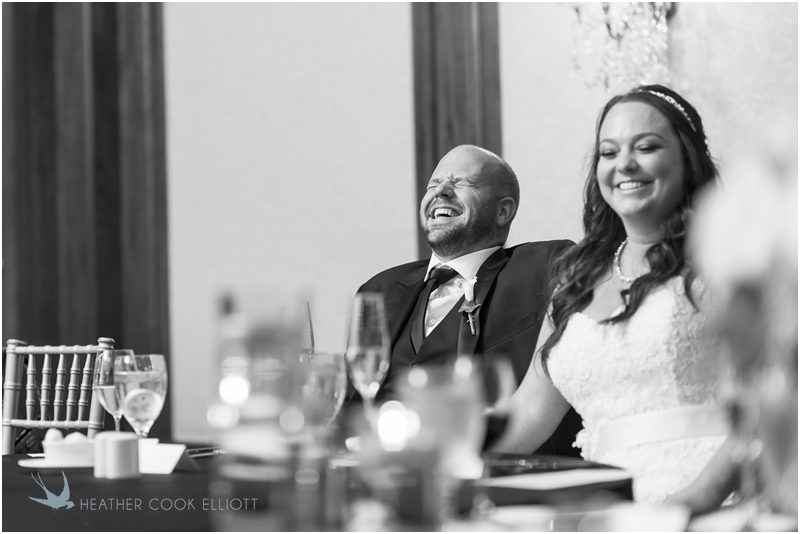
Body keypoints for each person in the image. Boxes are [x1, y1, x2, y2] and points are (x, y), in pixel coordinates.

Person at [493, 84, 731, 505]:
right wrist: (447, 445)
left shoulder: (725, 261)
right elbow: (528, 412)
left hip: (711, 502)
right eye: (609, 151)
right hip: (607, 507)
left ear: (688, 159)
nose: (625, 164)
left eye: (647, 147)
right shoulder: (574, 281)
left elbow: (777, 396)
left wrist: (699, 498)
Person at [349, 144, 582, 456]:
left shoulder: (545, 267)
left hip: (505, 469)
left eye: (462, 183)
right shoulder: (381, 288)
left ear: (503, 211)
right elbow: (354, 406)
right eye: (433, 184)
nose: (441, 192)